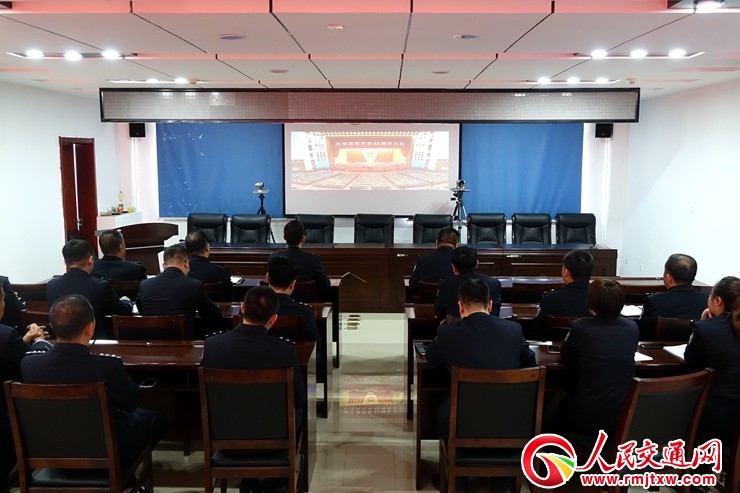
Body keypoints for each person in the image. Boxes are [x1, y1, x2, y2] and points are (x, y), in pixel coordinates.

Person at [20, 294, 164, 466]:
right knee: (153, 420)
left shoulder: (29, 364)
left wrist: (39, 341)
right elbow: (131, 403)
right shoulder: (107, 366)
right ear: (90, 328)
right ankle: (123, 471)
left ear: (53, 326)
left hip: (51, 448)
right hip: (105, 450)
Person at [426, 278, 534, 493]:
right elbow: (530, 362)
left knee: (442, 407)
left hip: (462, 422)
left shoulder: (447, 333)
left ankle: (459, 481)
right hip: (509, 422)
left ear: (460, 306)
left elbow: (432, 359)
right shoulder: (513, 330)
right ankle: (502, 482)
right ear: (491, 305)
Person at [201, 286, 306, 493]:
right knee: (301, 408)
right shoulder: (284, 351)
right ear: (273, 319)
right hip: (275, 442)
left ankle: (248, 480)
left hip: (227, 440)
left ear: (242, 308)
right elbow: (299, 398)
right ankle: (277, 480)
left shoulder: (213, 346)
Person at [556, 279, 639, 436]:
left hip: (587, 415)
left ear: (591, 302)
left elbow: (566, 356)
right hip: (622, 415)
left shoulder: (580, 327)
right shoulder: (632, 328)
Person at [0, 287, 50, 482]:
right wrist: (40, 341)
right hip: (6, 430)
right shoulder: (5, 336)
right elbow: (36, 367)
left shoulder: (8, 338)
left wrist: (22, 342)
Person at [684, 276, 740, 449]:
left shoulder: (707, 329)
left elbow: (691, 361)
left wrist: (702, 324)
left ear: (717, 301)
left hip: (718, 418)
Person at [46, 239, 133, 339]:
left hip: (61, 340)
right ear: (91, 260)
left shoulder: (51, 286)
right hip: (94, 341)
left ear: (65, 262)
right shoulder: (100, 286)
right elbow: (122, 311)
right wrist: (126, 301)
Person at [137, 243, 223, 339]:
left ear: (164, 266)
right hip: (183, 344)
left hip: (152, 343)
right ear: (187, 263)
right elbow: (213, 314)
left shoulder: (145, 285)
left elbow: (142, 311)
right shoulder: (194, 285)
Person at [638, 253, 708, 340]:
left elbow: (642, 332)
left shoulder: (654, 301)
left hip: (658, 347)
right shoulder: (706, 300)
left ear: (668, 278)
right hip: (694, 346)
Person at [531, 250, 594, 340]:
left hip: (556, 346)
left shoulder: (549, 299)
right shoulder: (600, 299)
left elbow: (536, 333)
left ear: (566, 272)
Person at [268, 220, 331, 300]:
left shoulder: (273, 258)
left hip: (280, 304)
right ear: (303, 238)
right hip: (307, 305)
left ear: (284, 237)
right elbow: (325, 285)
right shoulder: (313, 260)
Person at [434, 246, 501, 319]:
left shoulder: (445, 285)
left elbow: (438, 312)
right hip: (488, 325)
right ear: (477, 263)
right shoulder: (494, 283)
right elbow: (495, 313)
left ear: (453, 267)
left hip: (455, 325)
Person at [184, 230, 235, 301]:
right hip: (215, 307)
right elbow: (231, 297)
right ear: (207, 248)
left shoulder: (182, 270)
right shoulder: (220, 271)